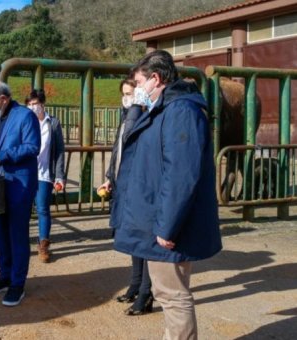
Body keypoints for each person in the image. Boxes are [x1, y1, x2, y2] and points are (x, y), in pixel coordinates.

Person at [109, 50, 222, 339]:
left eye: (138, 83)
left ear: (155, 79)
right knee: (166, 292)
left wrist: (167, 226)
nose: (135, 90)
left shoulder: (181, 111)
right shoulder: (164, 109)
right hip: (158, 218)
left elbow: (181, 174)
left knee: (173, 295)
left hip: (167, 225)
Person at [0, 81, 40, 307]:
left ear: (3, 99)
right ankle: (4, 275)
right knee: (0, 231)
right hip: (0, 182)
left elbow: (32, 147)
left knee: (17, 233)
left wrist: (2, 155)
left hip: (19, 183)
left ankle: (17, 284)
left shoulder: (25, 116)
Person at [99, 77, 154, 315]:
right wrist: (110, 177)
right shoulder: (126, 119)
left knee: (144, 242)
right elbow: (118, 152)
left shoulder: (144, 119)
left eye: (131, 93)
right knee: (133, 240)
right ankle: (135, 285)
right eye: (124, 94)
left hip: (139, 189)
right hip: (124, 186)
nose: (127, 98)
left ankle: (146, 292)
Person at [25, 89, 65, 263]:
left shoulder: (53, 123)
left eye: (36, 104)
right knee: (23, 210)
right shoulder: (24, 122)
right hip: (25, 173)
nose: (33, 107)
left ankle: (43, 244)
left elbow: (59, 151)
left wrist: (59, 176)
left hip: (44, 173)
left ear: (43, 104)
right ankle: (21, 244)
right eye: (30, 104)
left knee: (42, 209)